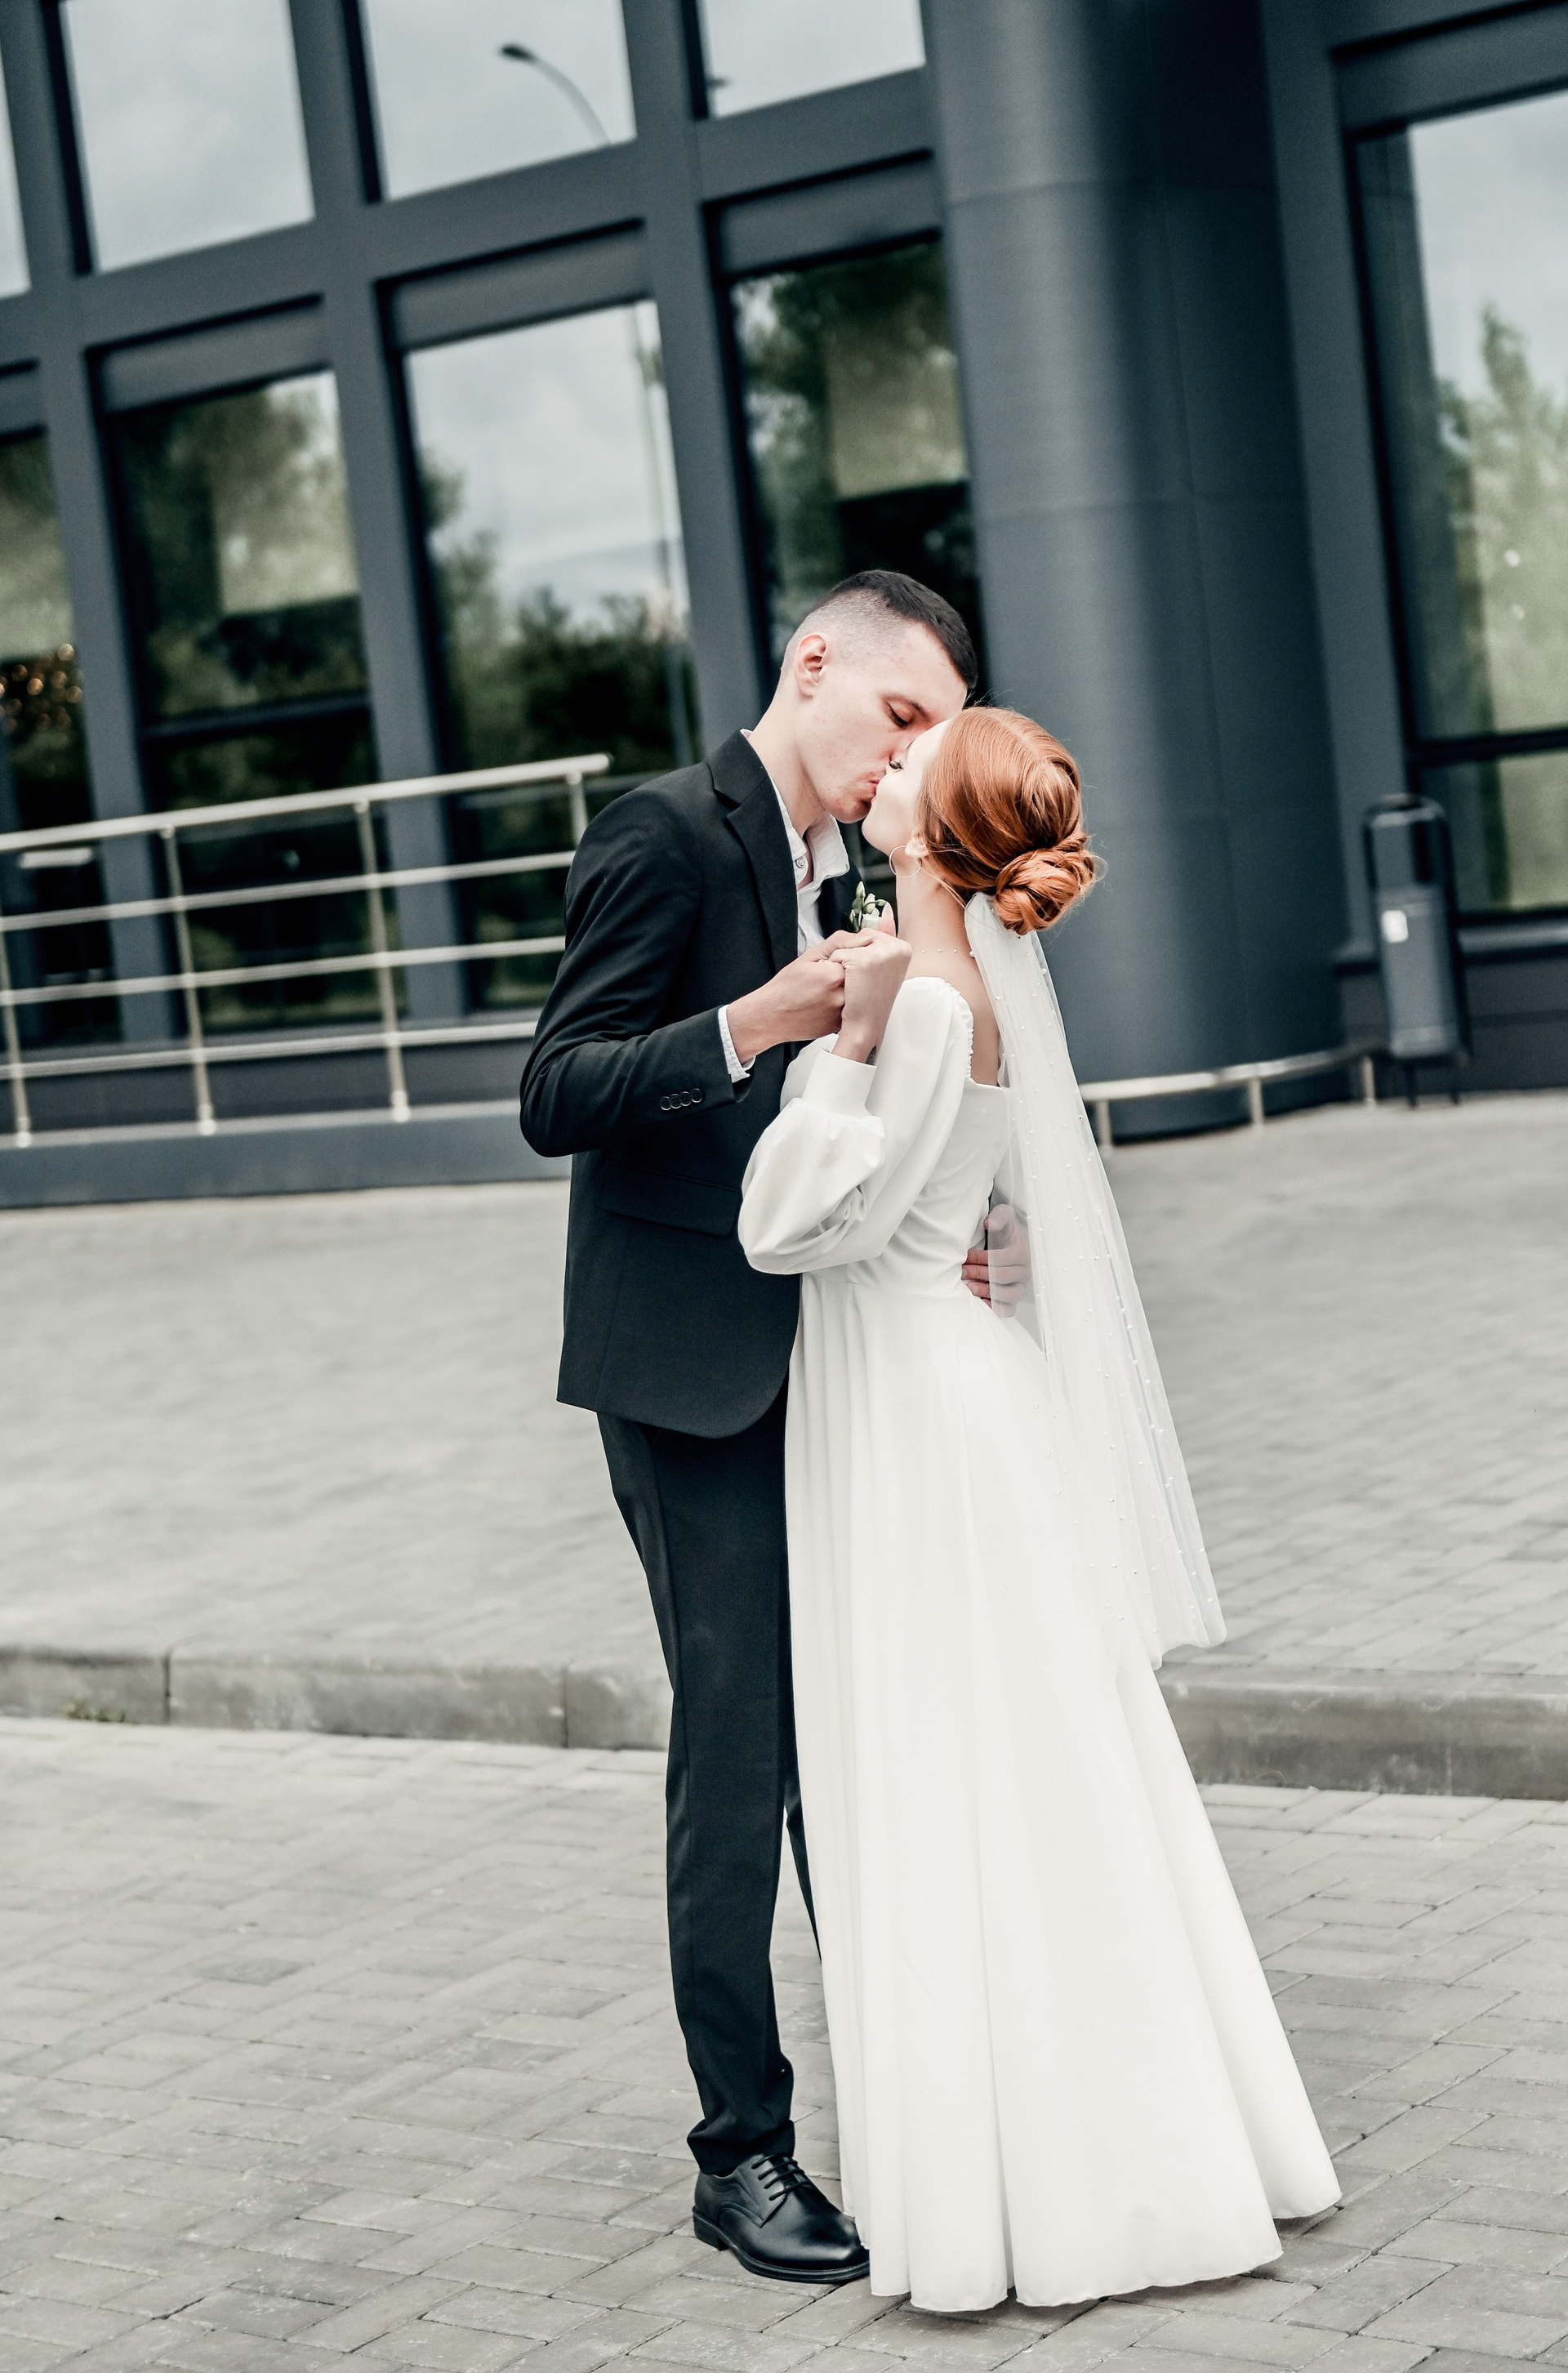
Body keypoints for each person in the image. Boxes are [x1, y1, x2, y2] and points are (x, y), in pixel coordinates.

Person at [737, 707, 1341, 2313]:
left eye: (916, 759)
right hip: (957, 1382)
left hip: (916, 1410)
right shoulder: (977, 990)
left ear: (937, 834)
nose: (889, 766)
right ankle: (1125, 2134)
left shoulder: (926, 1003)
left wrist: (843, 1044)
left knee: (958, 1775)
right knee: (1029, 1764)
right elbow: (965, 1204)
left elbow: (789, 1225)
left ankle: (1051, 2184)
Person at [519, 571, 975, 2285]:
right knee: (742, 1752)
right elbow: (555, 1091)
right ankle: (741, 2152)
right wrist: (756, 1021)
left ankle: (908, 2104)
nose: (908, 758)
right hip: (690, 1375)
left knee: (851, 1735)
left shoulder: (851, 860)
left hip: (833, 1365)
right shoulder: (659, 832)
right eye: (901, 716)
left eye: (934, 735)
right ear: (815, 663)